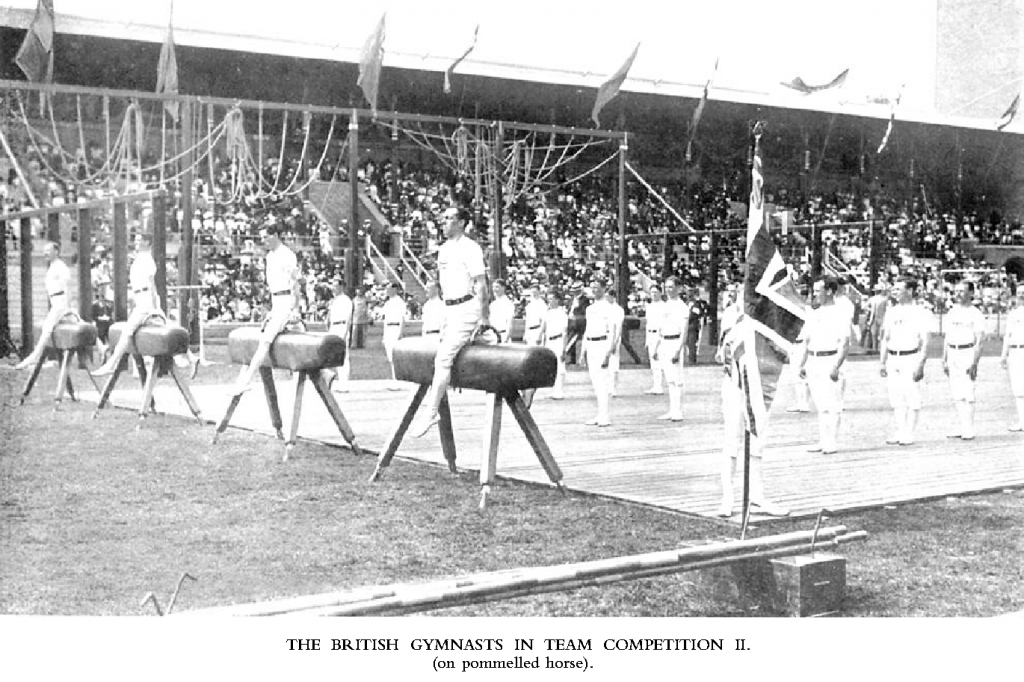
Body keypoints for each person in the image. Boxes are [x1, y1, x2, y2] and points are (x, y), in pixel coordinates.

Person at [413, 206, 489, 437]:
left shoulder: (471, 248)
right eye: (443, 218)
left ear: (462, 223)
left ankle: (431, 412)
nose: (443, 222)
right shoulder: (444, 249)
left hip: (467, 307)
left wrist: (484, 317)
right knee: (446, 357)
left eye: (449, 218)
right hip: (449, 308)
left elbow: (481, 283)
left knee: (444, 358)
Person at [716, 289, 789, 518]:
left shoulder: (768, 318)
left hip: (758, 386)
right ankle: (727, 498)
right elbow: (722, 352)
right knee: (731, 442)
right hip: (734, 385)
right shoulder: (731, 314)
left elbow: (782, 352)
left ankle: (757, 497)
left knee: (757, 441)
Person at [225, 224, 300, 394]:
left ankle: (245, 381)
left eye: (266, 236)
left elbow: (295, 283)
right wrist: (272, 311)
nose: (263, 240)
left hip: (286, 301)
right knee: (266, 338)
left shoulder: (288, 255)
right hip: (276, 302)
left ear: (276, 236)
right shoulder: (270, 257)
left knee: (266, 341)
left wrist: (295, 308)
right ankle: (242, 381)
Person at [93, 233, 170, 377]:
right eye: (136, 240)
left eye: (140, 240)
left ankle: (112, 363)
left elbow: (151, 284)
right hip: (140, 297)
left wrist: (154, 307)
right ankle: (188, 358)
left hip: (146, 298)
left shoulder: (147, 259)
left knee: (128, 331)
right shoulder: (139, 258)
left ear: (147, 243)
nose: (136, 242)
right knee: (149, 328)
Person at [794, 277, 851, 454]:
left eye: (819, 290)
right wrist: (803, 363)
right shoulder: (815, 313)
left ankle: (831, 442)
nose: (815, 294)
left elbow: (845, 342)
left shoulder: (839, 313)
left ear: (829, 291)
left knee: (832, 405)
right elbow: (807, 340)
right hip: (813, 360)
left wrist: (836, 365)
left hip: (830, 359)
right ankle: (822, 440)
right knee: (820, 405)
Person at [879, 277, 931, 446]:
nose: (895, 292)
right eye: (894, 289)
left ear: (909, 291)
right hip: (894, 358)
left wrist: (920, 364)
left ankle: (909, 432)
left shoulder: (920, 312)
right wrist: (882, 361)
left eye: (899, 289)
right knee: (896, 396)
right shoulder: (891, 311)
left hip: (911, 357)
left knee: (912, 396)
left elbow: (925, 341)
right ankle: (900, 430)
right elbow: (886, 338)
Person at [15, 241, 72, 370]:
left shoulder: (60, 266)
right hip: (56, 301)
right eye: (44, 250)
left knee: (47, 328)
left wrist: (67, 306)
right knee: (76, 320)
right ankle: (102, 347)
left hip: (60, 301)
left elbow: (67, 287)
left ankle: (34, 356)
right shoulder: (53, 266)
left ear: (56, 252)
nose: (44, 253)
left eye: (48, 250)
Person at [941, 280, 985, 440]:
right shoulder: (952, 312)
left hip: (967, 351)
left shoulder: (976, 314)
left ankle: (969, 428)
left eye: (962, 291)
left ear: (971, 293)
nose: (958, 294)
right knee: (956, 391)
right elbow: (947, 337)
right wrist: (944, 358)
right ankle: (961, 426)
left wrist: (975, 362)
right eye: (956, 291)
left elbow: (979, 340)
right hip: (953, 352)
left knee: (968, 392)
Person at [652, 276, 688, 422]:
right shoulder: (665, 306)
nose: (668, 290)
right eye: (666, 287)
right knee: (669, 379)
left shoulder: (682, 307)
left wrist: (678, 350)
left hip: (675, 341)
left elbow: (684, 331)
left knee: (676, 379)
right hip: (664, 342)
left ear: (678, 288)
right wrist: (656, 348)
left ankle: (678, 411)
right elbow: (661, 329)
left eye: (671, 287)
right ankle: (672, 410)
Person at [581, 278, 613, 426]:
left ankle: (605, 416)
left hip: (602, 344)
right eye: (592, 287)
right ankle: (599, 414)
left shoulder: (608, 307)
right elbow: (587, 331)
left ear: (604, 289)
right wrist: (583, 352)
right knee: (594, 382)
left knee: (603, 382)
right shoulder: (590, 308)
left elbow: (611, 331)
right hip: (591, 345)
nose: (594, 290)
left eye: (597, 287)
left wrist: (608, 352)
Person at [999, 288, 1024, 432]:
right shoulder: (1013, 314)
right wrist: (1004, 355)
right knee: (1018, 389)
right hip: (1015, 352)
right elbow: (1008, 335)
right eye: (1019, 292)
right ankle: (1022, 422)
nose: (1021, 295)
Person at [325, 282, 353, 392]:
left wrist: (345, 333)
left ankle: (344, 384)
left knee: (343, 356)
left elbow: (348, 318)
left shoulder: (346, 300)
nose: (333, 289)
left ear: (341, 287)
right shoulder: (334, 300)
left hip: (341, 327)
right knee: (332, 356)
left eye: (336, 286)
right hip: (333, 327)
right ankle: (333, 380)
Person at [542, 289, 569, 400]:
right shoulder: (548, 313)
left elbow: (564, 332)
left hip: (558, 340)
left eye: (552, 299)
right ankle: (554, 390)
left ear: (557, 300)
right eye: (548, 299)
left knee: (560, 366)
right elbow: (545, 330)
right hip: (549, 341)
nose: (550, 301)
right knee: (551, 366)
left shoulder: (562, 314)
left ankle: (559, 391)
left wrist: (564, 348)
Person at [380, 282, 407, 388]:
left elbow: (402, 319)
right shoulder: (388, 303)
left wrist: (400, 333)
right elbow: (385, 320)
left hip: (395, 328)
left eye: (389, 289)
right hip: (388, 329)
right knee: (390, 357)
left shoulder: (400, 302)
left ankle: (398, 382)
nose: (387, 291)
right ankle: (394, 379)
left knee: (395, 357)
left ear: (395, 290)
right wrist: (384, 335)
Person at [644, 284, 666, 395]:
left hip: (659, 335)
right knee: (653, 362)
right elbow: (648, 323)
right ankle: (656, 385)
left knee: (658, 359)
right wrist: (647, 340)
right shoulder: (650, 306)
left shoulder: (663, 307)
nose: (653, 294)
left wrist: (658, 340)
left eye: (656, 292)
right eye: (652, 292)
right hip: (651, 334)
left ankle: (660, 386)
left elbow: (663, 324)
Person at [605, 288, 625, 397]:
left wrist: (615, 343)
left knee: (613, 364)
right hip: (605, 336)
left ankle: (613, 388)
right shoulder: (605, 308)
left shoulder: (618, 310)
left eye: (608, 296)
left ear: (613, 297)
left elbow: (618, 329)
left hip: (614, 336)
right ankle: (607, 387)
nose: (606, 298)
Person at [685, 287, 710, 365]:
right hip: (686, 326)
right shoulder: (686, 303)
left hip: (693, 326)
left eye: (690, 293)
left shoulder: (697, 304)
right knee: (687, 343)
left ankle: (692, 360)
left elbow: (696, 314)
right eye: (688, 293)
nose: (689, 295)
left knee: (692, 343)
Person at [864, 283, 889, 353]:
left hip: (878, 318)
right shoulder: (882, 299)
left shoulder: (882, 299)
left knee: (876, 334)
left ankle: (877, 348)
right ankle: (877, 349)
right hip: (878, 318)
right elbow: (865, 307)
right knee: (876, 334)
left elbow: (865, 307)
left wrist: (870, 310)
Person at [489, 279, 515, 344]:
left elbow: (509, 323)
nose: (494, 289)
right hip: (492, 336)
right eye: (493, 287)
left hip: (503, 335)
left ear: (503, 288)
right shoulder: (492, 304)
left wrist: (506, 339)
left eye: (497, 287)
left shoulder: (508, 303)